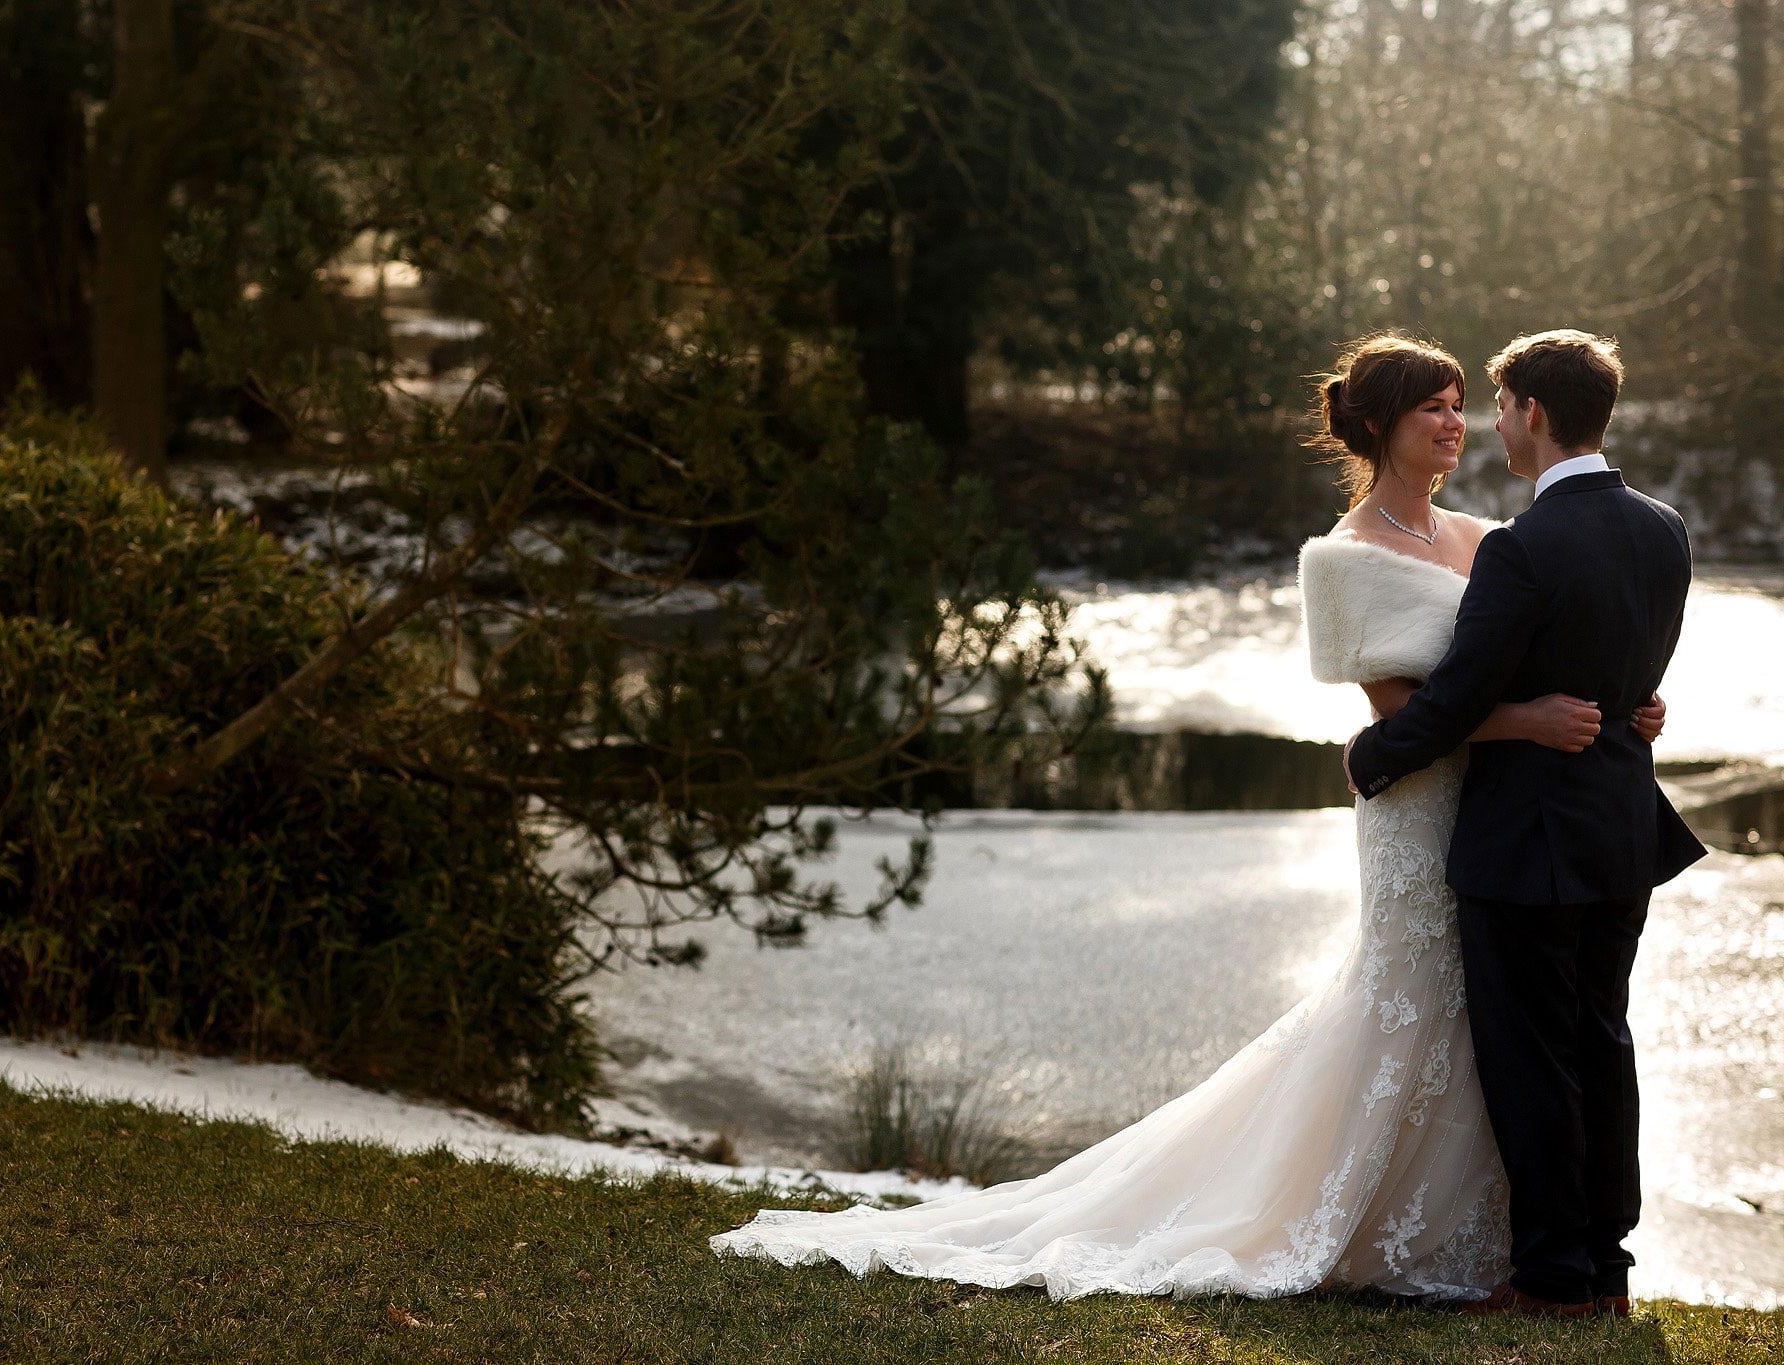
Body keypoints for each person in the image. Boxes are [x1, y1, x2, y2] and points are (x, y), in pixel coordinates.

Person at [710, 333, 1666, 1304]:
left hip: (1506, 799)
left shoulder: (1484, 539)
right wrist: (1520, 723)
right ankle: (1362, 1218)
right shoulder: (1337, 560)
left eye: (1463, 404)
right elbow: (1400, 708)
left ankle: (1499, 1240)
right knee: (1416, 1008)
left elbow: (1530, 653)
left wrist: (1614, 703)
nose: (1455, 425)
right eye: (1432, 407)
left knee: (1496, 1033)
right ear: (1377, 424)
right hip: (1424, 805)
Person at [1344, 328, 1705, 1319]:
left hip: (1526, 844)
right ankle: (1605, 1270)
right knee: (1601, 1043)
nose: (1487, 424)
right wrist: (1635, 705)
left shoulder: (1520, 548)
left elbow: (1457, 697)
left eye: (1495, 407)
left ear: (1530, 414)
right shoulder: (1661, 527)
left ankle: (1550, 1278)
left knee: (1531, 1059)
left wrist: (1371, 756)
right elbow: (1631, 670)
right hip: (1621, 834)